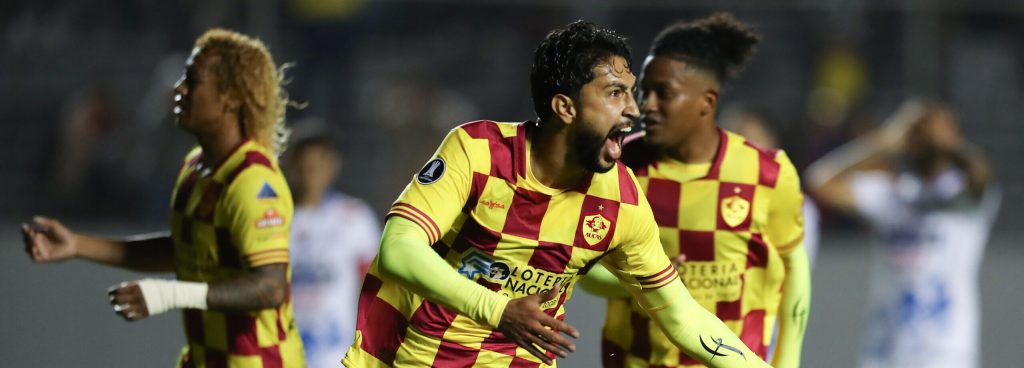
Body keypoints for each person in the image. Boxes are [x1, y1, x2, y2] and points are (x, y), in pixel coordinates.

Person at [342, 20, 769, 368]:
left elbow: (682, 314)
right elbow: (399, 249)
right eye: (615, 93)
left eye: (630, 93)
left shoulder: (621, 201)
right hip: (411, 356)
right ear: (565, 107)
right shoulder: (478, 151)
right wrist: (499, 311)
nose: (635, 110)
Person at [21, 29, 306, 367]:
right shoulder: (195, 167)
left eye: (192, 80)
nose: (179, 89)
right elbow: (184, 251)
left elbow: (270, 288)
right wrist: (77, 245)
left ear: (230, 97)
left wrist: (169, 294)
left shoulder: (253, 181)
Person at [579, 14, 810, 368]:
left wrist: (788, 360)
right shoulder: (618, 165)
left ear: (707, 101)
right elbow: (585, 269)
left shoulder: (767, 172)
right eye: (644, 92)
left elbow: (795, 268)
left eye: (664, 93)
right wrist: (648, 280)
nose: (646, 106)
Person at [806, 100, 999, 368]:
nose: (927, 138)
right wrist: (880, 143)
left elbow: (982, 178)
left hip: (946, 351)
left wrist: (946, 142)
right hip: (885, 349)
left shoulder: (965, 196)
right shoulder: (893, 193)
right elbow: (819, 180)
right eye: (919, 131)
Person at [282, 131, 380, 367]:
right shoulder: (275, 218)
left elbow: (377, 287)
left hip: (335, 355)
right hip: (282, 352)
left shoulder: (354, 216)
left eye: (317, 164)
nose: (310, 172)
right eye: (304, 164)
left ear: (332, 166)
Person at [721, 106, 821, 267]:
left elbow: (792, 270)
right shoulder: (711, 196)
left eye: (754, 137)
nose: (746, 147)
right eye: (738, 138)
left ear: (775, 143)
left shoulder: (797, 204)